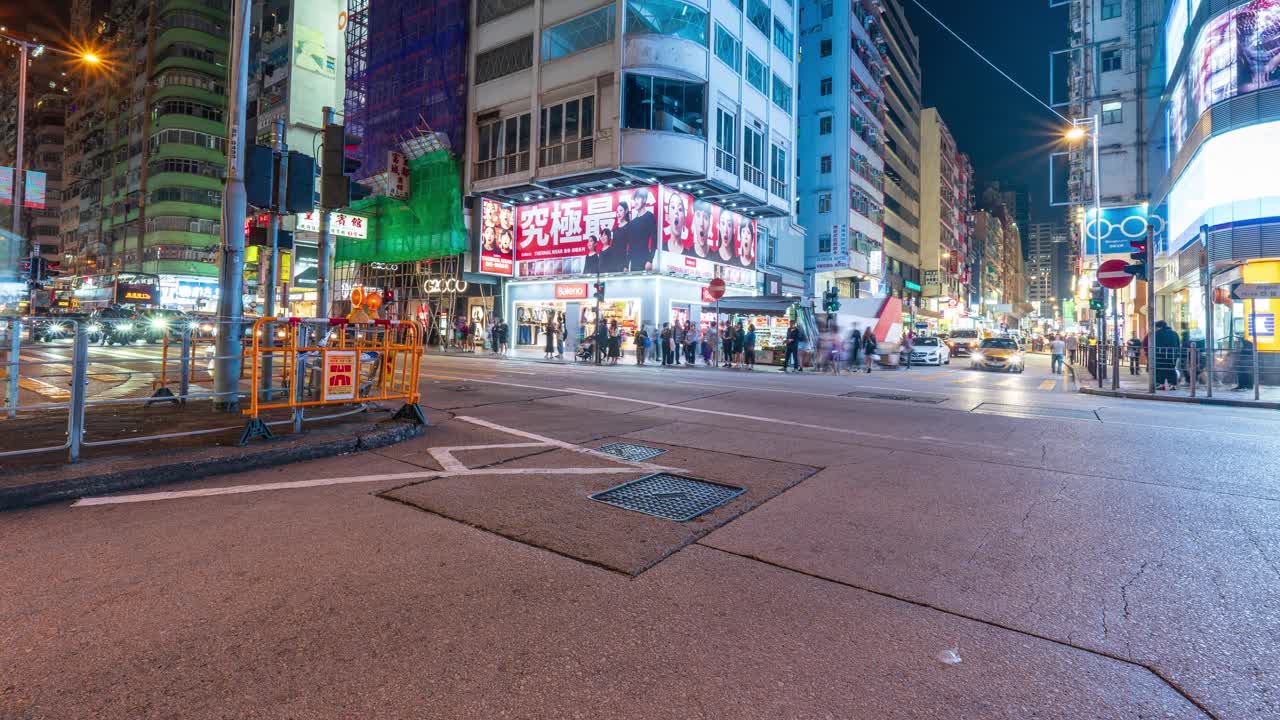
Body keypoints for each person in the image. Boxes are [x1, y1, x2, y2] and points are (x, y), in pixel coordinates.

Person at [1153, 320, 1181, 390]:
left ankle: (1161, 384)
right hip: (1172, 354)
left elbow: (1155, 344)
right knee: (1171, 369)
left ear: (1159, 327)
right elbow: (1178, 344)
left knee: (1160, 369)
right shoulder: (1174, 333)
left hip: (1160, 354)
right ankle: (1173, 385)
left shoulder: (1157, 333)